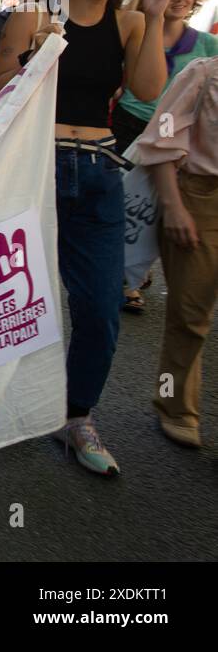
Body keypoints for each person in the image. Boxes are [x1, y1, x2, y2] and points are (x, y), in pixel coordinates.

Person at [0, 0, 170, 476]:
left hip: (98, 175)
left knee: (99, 308)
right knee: (12, 301)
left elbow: (148, 90)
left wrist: (156, 15)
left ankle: (76, 416)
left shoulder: (131, 24)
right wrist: (35, 56)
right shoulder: (35, 11)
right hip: (33, 168)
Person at [113, 0, 217, 314]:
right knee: (129, 199)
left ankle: (138, 267)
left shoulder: (207, 45)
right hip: (133, 122)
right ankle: (126, 277)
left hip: (175, 133)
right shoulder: (137, 29)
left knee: (164, 202)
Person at [132, 55, 218, 448]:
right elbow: (162, 138)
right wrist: (174, 206)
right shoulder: (203, 74)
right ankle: (173, 403)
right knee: (188, 317)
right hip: (201, 200)